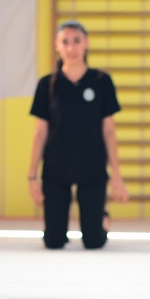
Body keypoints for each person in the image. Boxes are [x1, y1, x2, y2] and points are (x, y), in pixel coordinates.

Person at [28, 20, 129, 249]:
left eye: (76, 41)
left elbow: (109, 131)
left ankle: (101, 217)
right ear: (57, 45)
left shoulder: (102, 82)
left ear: (86, 44)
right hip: (56, 167)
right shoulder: (47, 84)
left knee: (93, 242)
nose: (71, 48)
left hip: (92, 167)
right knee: (53, 242)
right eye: (65, 42)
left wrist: (117, 175)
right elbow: (40, 132)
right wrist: (32, 176)